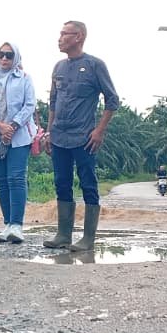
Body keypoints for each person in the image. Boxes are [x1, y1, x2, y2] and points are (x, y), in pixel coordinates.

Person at [41, 21, 119, 251]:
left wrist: (99, 130)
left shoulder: (95, 65)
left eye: (65, 34)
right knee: (61, 183)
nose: (60, 38)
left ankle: (88, 238)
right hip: (59, 136)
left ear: (79, 37)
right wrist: (49, 131)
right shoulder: (58, 67)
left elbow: (112, 100)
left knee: (88, 184)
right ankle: (63, 235)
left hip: (84, 138)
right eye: (60, 33)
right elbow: (53, 102)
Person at [0, 41, 36, 244]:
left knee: (16, 178)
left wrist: (12, 126)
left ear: (16, 58)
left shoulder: (24, 79)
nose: (4, 58)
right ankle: (7, 224)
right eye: (1, 54)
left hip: (18, 136)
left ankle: (17, 225)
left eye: (9, 55)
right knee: (1, 181)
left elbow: (29, 105)